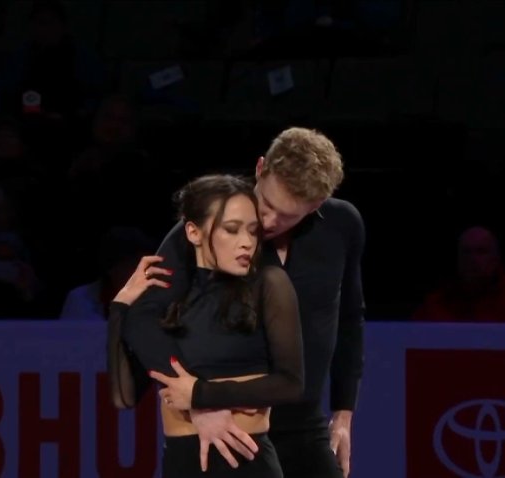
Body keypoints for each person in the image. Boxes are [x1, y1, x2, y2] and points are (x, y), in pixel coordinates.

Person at [111, 127, 365, 478]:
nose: (268, 222)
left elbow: (351, 318)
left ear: (317, 204)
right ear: (260, 169)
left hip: (304, 423)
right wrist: (201, 402)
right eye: (268, 204)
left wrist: (343, 412)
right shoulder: (211, 227)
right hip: (229, 425)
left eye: (289, 215)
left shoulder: (343, 224)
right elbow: (145, 317)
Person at [108, 174, 305, 477]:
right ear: (193, 232)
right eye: (231, 229)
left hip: (246, 462)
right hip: (181, 462)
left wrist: (201, 396)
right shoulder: (174, 304)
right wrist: (121, 307)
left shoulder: (267, 285)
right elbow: (124, 396)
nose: (246, 242)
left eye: (253, 232)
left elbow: (290, 384)